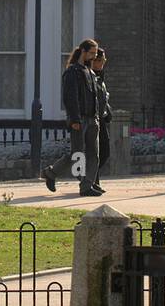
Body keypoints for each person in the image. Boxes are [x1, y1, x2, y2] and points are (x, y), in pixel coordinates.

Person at [41, 38, 102, 196]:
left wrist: (96, 117)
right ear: (83, 51)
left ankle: (86, 185)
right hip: (80, 119)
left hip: (92, 119)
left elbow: (93, 96)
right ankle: (52, 173)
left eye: (95, 54)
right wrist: (74, 119)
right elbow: (70, 97)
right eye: (91, 53)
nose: (94, 57)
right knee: (77, 154)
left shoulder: (90, 72)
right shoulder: (72, 72)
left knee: (94, 154)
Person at [91, 48, 112, 193]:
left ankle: (91, 178)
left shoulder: (100, 76)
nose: (102, 63)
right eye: (100, 60)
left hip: (101, 119)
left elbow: (103, 98)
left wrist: (108, 111)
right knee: (96, 152)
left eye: (104, 60)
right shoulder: (90, 76)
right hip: (92, 119)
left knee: (104, 152)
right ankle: (92, 181)